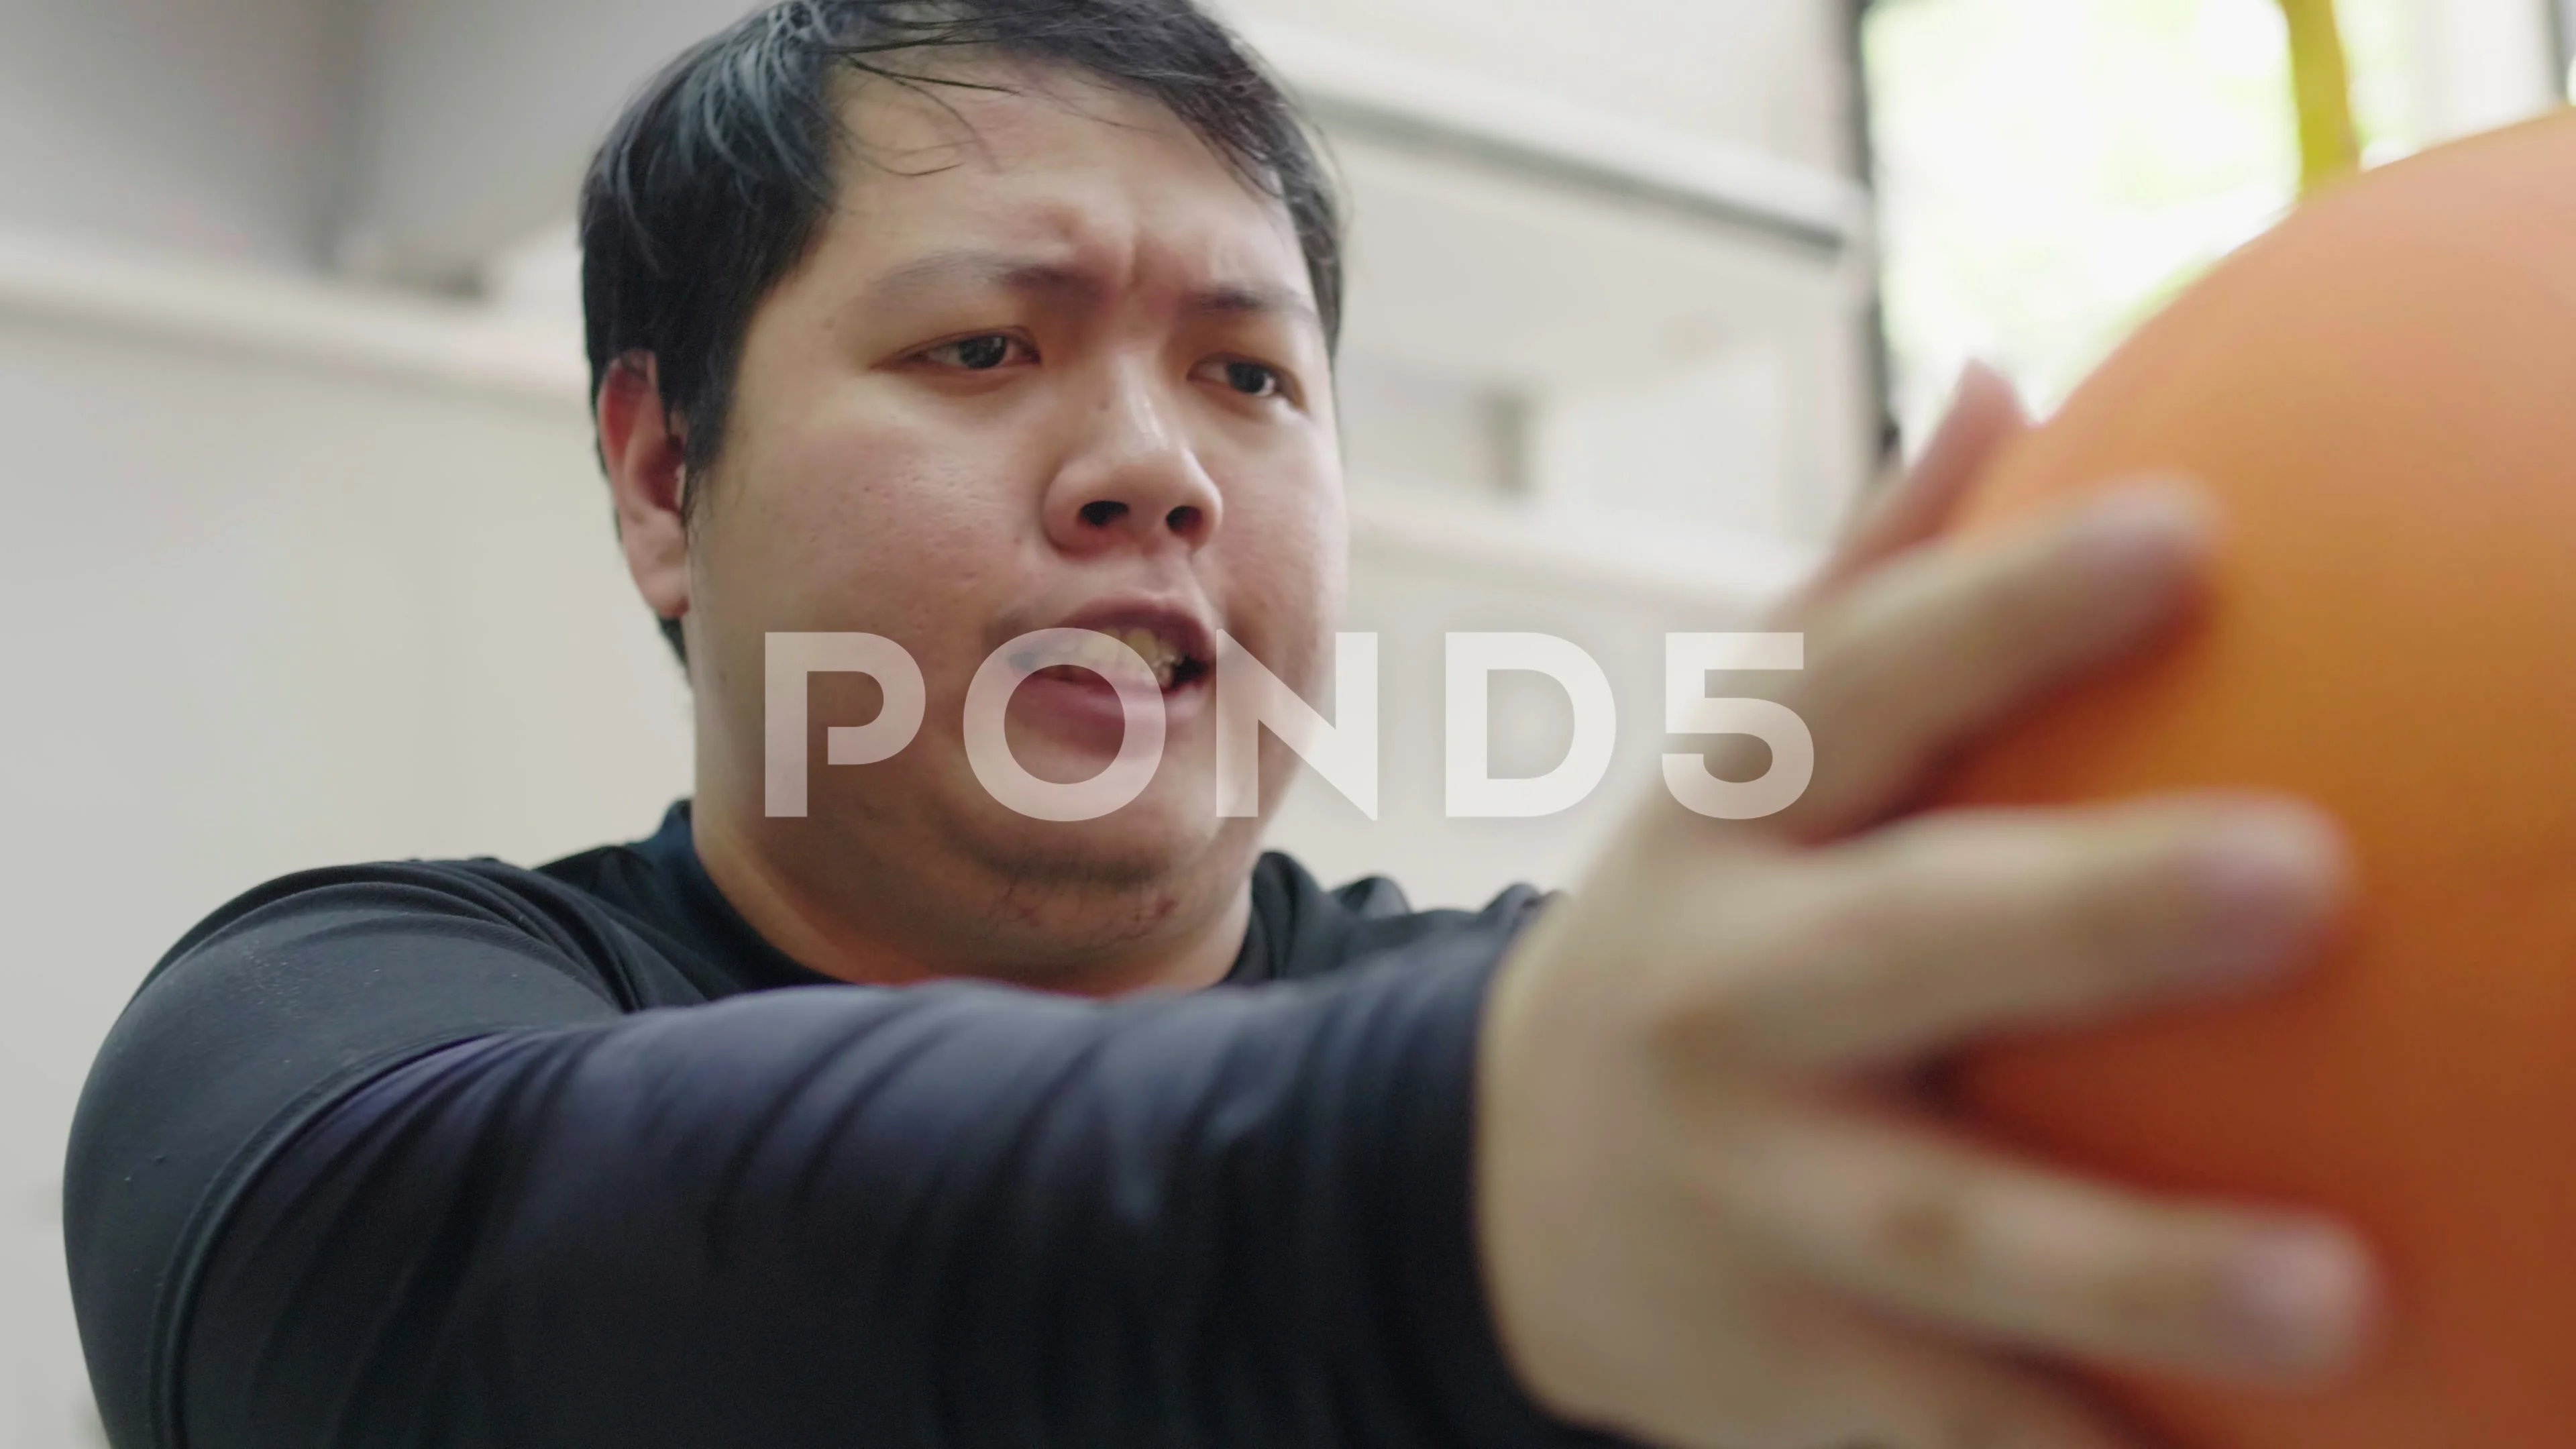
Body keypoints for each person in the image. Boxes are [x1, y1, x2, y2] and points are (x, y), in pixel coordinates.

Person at [62, 3, 2379, 1446]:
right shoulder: (331, 1032)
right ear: (669, 476)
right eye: (985, 345)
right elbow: (467, 1298)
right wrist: (1467, 1196)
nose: (1154, 464)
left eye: (1251, 376)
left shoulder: (1607, 1059)